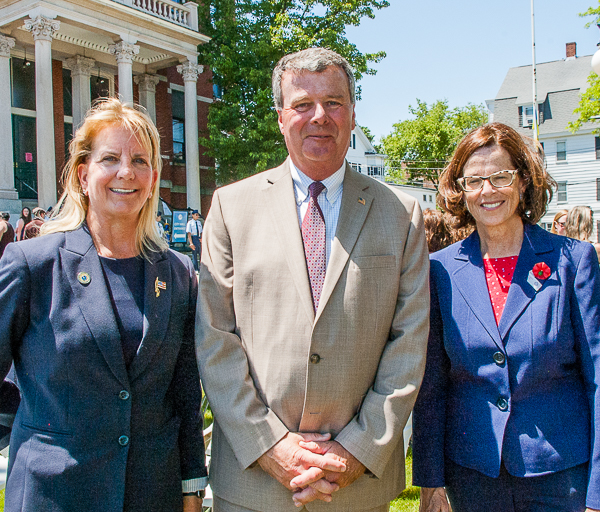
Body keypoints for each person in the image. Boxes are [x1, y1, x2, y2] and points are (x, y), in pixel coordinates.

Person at [196, 47, 430, 512]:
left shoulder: (400, 216)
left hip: (355, 488)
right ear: (281, 117)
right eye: (303, 104)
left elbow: (409, 344)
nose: (319, 116)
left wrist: (356, 452)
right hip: (252, 484)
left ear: (353, 114)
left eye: (334, 102)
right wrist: (270, 448)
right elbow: (214, 338)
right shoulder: (230, 207)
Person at [0, 98, 207, 512]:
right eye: (110, 158)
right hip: (53, 494)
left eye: (140, 160)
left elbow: (184, 395)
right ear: (82, 174)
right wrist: (30, 435)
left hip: (152, 495)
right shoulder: (33, 264)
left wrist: (191, 490)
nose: (126, 172)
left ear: (152, 179)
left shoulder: (179, 273)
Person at [412, 122, 600, 512]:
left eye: (501, 177)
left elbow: (598, 380)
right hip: (474, 476)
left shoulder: (572, 261)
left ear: (524, 181)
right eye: (475, 180)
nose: (488, 190)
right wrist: (430, 482)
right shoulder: (439, 271)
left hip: (562, 476)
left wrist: (597, 494)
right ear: (460, 191)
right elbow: (431, 387)